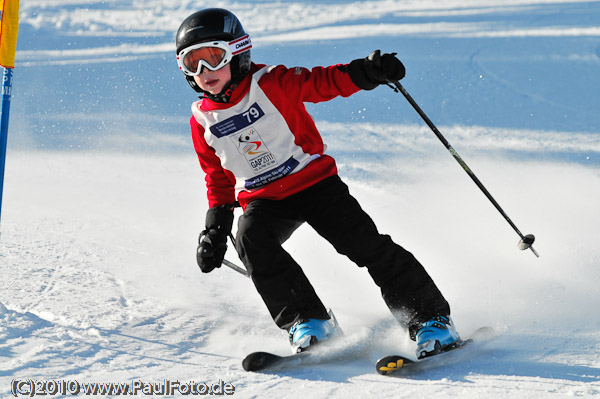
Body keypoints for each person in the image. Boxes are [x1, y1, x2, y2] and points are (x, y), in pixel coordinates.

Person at [176, 8, 461, 357]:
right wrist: (216, 228)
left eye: (213, 58)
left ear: (238, 51)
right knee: (251, 240)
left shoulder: (271, 82)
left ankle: (430, 319)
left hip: (313, 183)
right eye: (192, 63)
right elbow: (217, 177)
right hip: (264, 198)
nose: (205, 72)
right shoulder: (201, 120)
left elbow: (322, 81)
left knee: (365, 245)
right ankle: (309, 321)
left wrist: (365, 72)